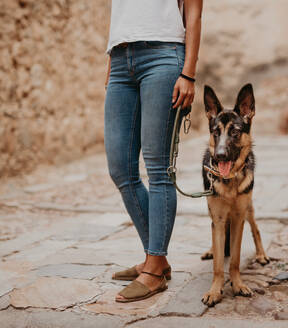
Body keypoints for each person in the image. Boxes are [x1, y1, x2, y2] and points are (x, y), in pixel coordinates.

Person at [104, 0, 203, 302]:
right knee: (120, 169)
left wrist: (188, 73)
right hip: (121, 59)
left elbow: (194, 11)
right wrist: (112, 63)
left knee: (158, 169)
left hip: (163, 56)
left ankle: (155, 266)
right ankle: (156, 260)